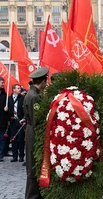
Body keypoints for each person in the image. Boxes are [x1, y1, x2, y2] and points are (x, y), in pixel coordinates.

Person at [24, 67, 48, 199]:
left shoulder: (33, 94)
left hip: (31, 130)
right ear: (43, 81)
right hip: (33, 133)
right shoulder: (34, 97)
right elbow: (36, 120)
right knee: (33, 168)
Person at [8, 84, 25, 162]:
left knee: (21, 138)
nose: (20, 89)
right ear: (14, 89)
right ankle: (15, 156)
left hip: (20, 121)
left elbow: (24, 110)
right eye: (18, 88)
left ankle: (21, 155)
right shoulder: (8, 99)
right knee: (13, 138)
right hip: (12, 121)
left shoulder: (22, 98)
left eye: (20, 88)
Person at [0, 77, 8, 162]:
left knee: (2, 138)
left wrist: (6, 109)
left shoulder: (4, 95)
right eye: (2, 82)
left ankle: (1, 154)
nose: (3, 84)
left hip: (2, 121)